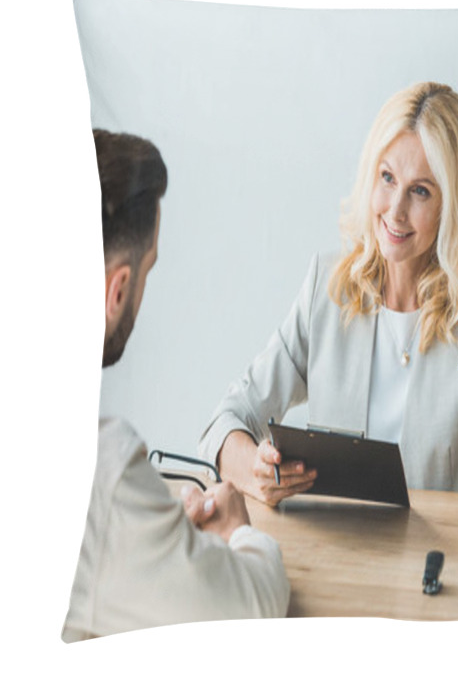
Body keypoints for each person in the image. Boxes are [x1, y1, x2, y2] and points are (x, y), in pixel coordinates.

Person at [199, 82, 458, 506]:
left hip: (435, 561)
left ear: (450, 204)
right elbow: (225, 421)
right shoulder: (329, 285)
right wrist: (255, 470)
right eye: (387, 178)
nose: (395, 210)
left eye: (421, 191)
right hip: (338, 553)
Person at [62, 130, 290, 642]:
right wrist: (239, 532)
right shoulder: (100, 472)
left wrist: (159, 537)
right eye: (148, 270)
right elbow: (250, 611)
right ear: (116, 288)